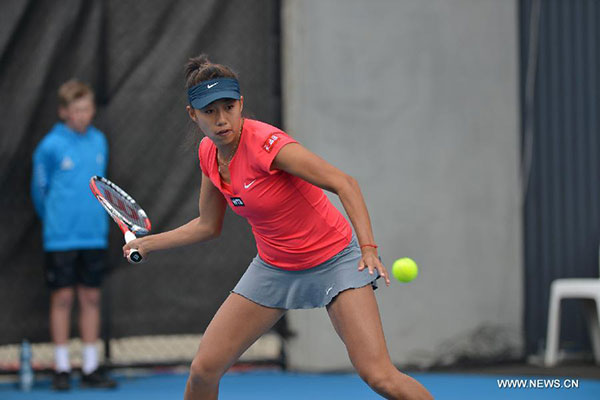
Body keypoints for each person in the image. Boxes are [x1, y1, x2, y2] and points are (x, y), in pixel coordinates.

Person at [123, 55, 433, 400]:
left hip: (336, 260)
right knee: (203, 371)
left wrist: (369, 248)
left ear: (241, 104)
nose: (222, 119)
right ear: (193, 115)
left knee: (379, 376)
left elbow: (345, 183)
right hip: (274, 267)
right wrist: (148, 244)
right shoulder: (208, 154)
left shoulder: (269, 146)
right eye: (210, 111)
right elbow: (207, 225)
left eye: (228, 107)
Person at [31, 79, 117, 390]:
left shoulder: (99, 142)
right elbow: (40, 193)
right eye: (76, 110)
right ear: (64, 112)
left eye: (87, 109)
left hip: (94, 235)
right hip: (60, 238)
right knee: (63, 297)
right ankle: (62, 366)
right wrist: (56, 221)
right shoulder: (50, 146)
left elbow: (102, 188)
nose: (83, 115)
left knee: (91, 297)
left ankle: (91, 366)